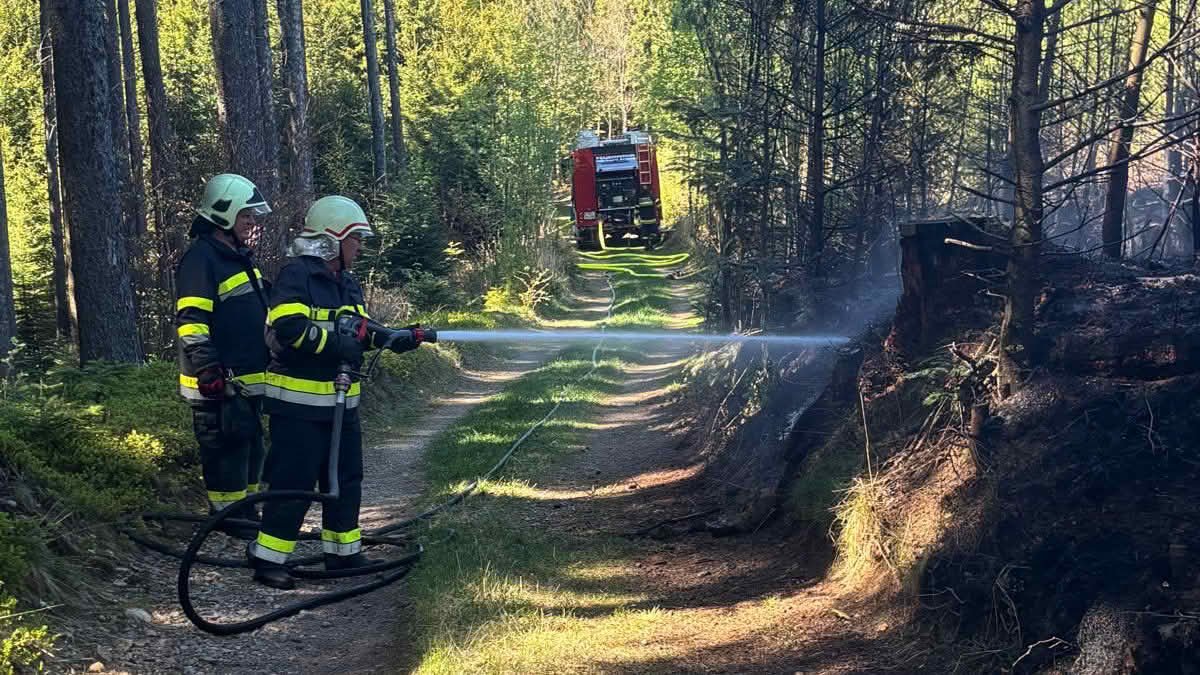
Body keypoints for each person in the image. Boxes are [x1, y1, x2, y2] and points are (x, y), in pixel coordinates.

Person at [249, 195, 423, 589]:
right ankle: (268, 560)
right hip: (298, 408)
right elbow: (287, 329)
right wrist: (335, 345)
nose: (359, 247)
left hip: (342, 407)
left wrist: (393, 337)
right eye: (355, 239)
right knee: (293, 484)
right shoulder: (296, 276)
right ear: (332, 239)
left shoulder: (347, 283)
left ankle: (342, 554)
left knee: (347, 479)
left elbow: (359, 330)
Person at [175, 173, 272, 540]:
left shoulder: (238, 258)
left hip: (243, 384)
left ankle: (247, 512)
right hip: (217, 384)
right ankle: (227, 519)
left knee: (250, 447)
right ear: (223, 215)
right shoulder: (201, 260)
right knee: (225, 452)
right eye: (246, 215)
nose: (252, 222)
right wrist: (208, 368)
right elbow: (191, 320)